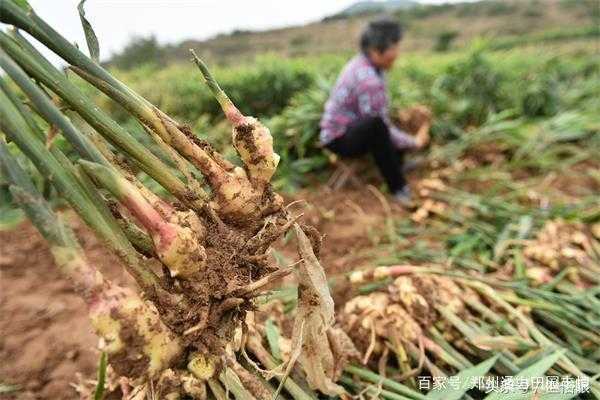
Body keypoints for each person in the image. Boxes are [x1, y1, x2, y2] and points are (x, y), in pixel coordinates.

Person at [319, 18, 430, 204]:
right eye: (393, 48)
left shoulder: (366, 64)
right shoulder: (369, 80)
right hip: (338, 139)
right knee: (377, 126)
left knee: (382, 122)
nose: (397, 53)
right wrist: (414, 142)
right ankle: (398, 187)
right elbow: (380, 124)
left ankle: (399, 163)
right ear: (375, 51)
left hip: (348, 129)